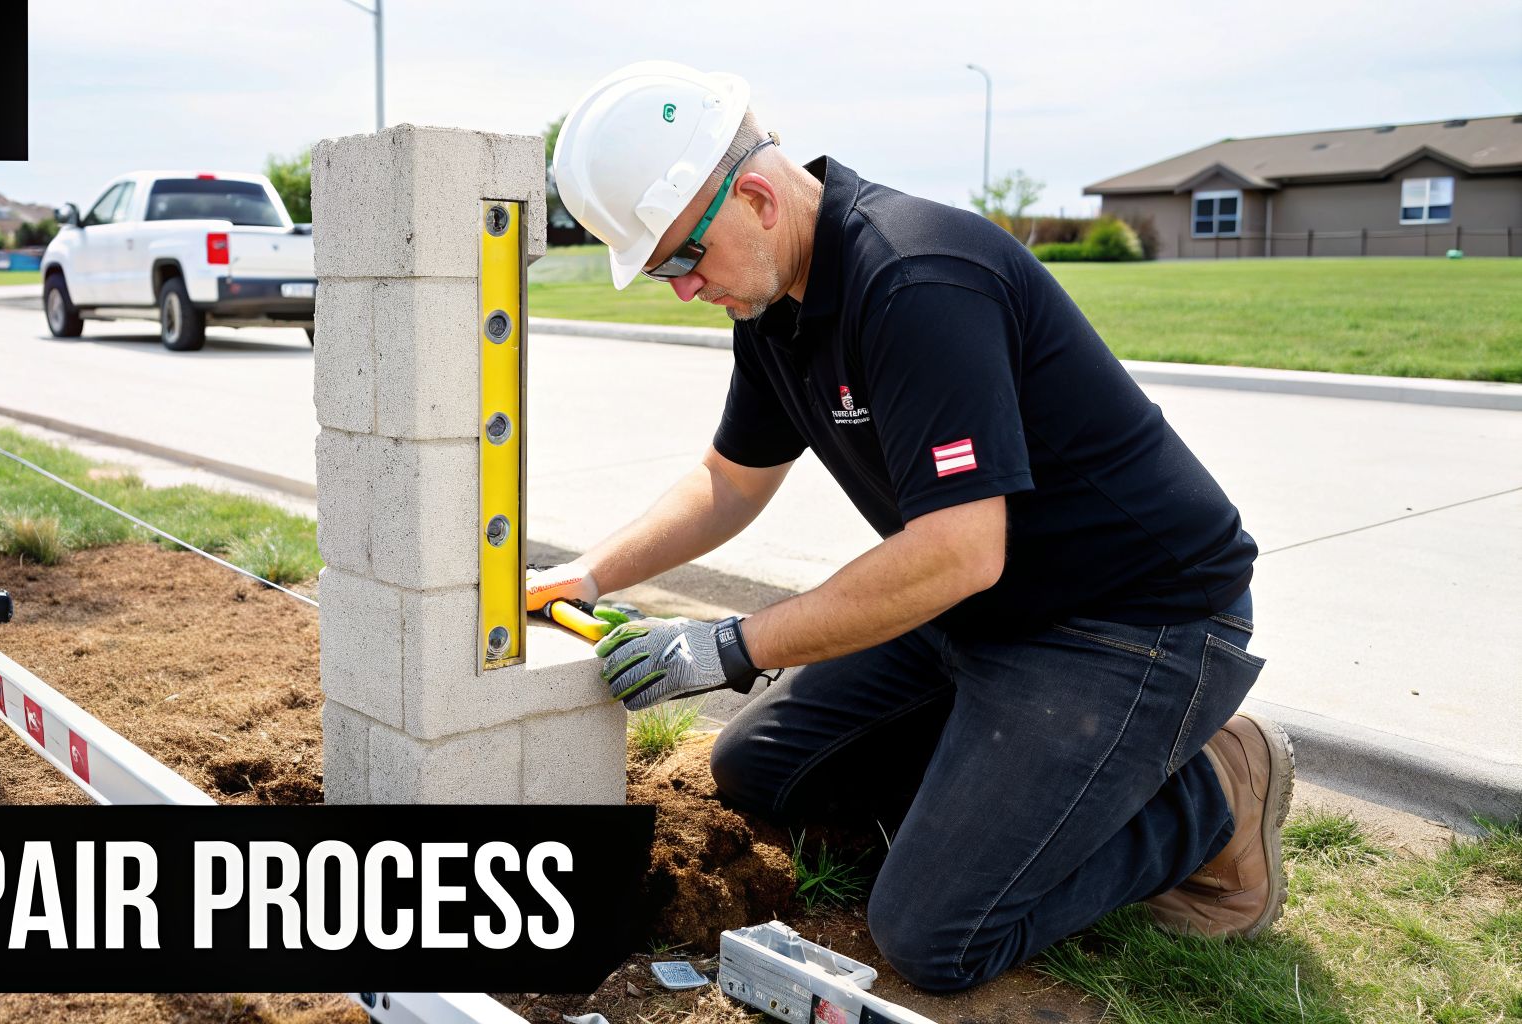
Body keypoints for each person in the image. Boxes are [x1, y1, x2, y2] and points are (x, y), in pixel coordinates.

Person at [529, 61, 1292, 993]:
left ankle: (1215, 794)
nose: (683, 288)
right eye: (661, 271)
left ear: (758, 198)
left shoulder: (919, 279)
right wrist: (588, 574)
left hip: (1129, 623)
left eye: (683, 257)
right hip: (982, 607)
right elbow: (729, 484)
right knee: (763, 770)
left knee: (933, 935)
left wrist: (728, 645)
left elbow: (961, 550)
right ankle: (1017, 785)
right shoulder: (775, 309)